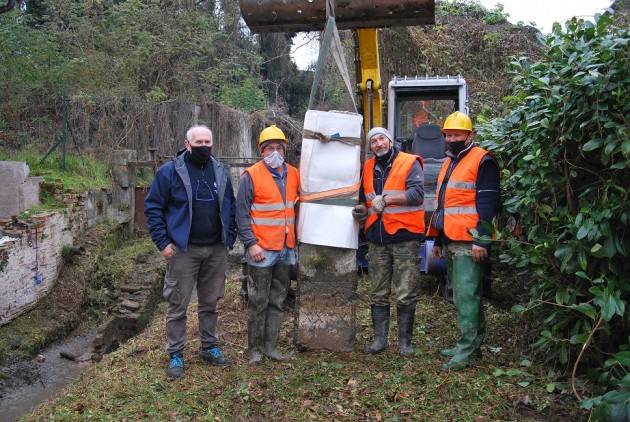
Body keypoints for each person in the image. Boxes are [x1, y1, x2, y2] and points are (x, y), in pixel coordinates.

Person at [145, 125, 237, 379]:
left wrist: (229, 238)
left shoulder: (220, 171)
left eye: (208, 141)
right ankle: (175, 353)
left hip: (215, 249)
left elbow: (229, 203)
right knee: (178, 304)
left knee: (210, 303)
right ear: (187, 144)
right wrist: (163, 243)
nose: (204, 146)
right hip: (184, 250)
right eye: (199, 142)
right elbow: (153, 208)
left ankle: (209, 347)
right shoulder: (169, 172)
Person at [431, 111, 500, 370]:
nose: (451, 139)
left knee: (466, 295)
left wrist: (482, 240)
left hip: (469, 241)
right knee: (463, 295)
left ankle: (466, 350)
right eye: (448, 135)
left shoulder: (483, 161)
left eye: (457, 134)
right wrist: (438, 240)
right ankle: (473, 344)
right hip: (451, 238)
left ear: (470, 135)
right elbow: (444, 205)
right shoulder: (450, 162)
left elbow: (488, 201)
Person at [352, 127, 425, 357]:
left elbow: (417, 194)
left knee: (405, 292)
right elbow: (367, 202)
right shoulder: (367, 167)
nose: (378, 144)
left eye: (381, 138)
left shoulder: (409, 162)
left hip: (404, 238)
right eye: (373, 141)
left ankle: (405, 343)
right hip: (377, 239)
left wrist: (388, 199)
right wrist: (361, 210)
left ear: (390, 141)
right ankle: (379, 340)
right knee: (378, 292)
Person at [236, 125, 299, 364]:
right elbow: (241, 214)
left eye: (279, 148)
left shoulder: (294, 174)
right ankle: (254, 350)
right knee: (258, 301)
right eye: (269, 148)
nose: (275, 152)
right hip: (261, 250)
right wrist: (251, 244)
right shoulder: (250, 176)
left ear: (284, 149)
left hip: (285, 249)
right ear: (261, 151)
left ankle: (271, 347)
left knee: (278, 299)